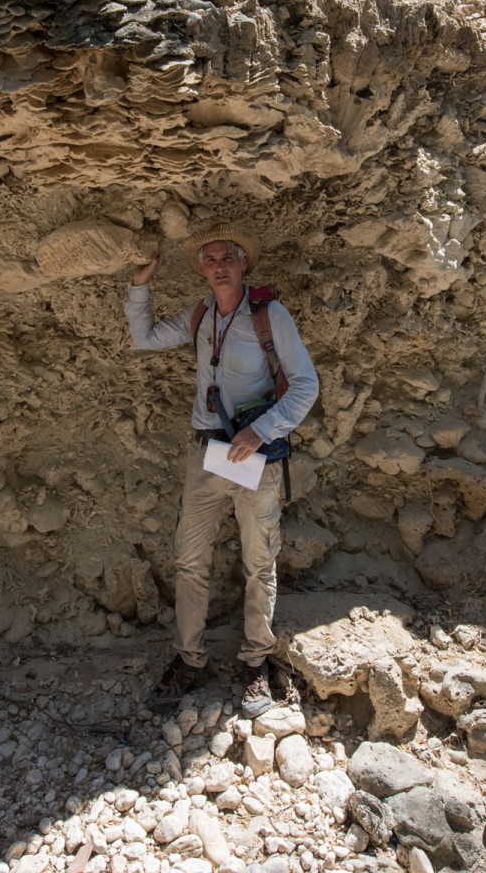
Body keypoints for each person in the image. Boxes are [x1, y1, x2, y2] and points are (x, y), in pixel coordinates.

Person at [126, 221, 319, 715]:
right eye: (209, 260)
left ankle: (255, 661)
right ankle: (189, 659)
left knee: (259, 562)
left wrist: (263, 430)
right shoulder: (199, 315)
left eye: (226, 258)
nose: (217, 267)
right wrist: (140, 283)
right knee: (189, 560)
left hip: (252, 454)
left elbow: (305, 385)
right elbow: (144, 337)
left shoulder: (270, 315)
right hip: (206, 455)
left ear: (243, 263)